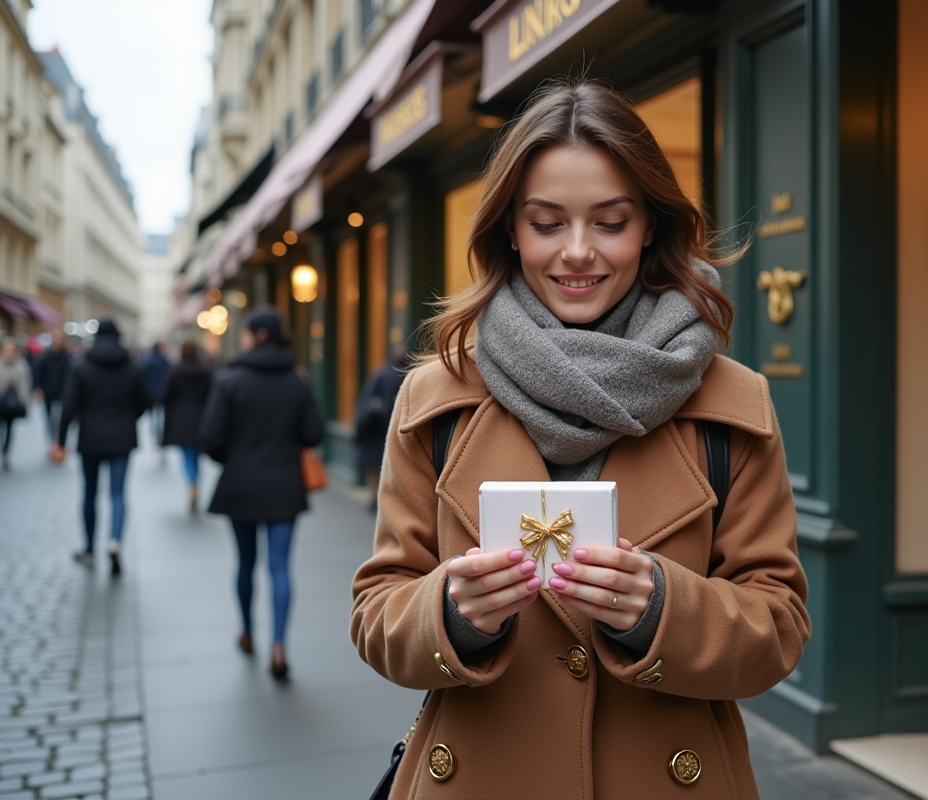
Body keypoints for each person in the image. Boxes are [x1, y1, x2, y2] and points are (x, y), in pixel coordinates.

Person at [349, 81, 810, 799]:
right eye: (546, 222)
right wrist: (452, 613)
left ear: (650, 226)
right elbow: (378, 611)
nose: (577, 253)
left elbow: (779, 626)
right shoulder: (433, 401)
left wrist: (664, 608)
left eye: (610, 221)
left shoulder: (733, 403)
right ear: (509, 228)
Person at [200, 308, 324, 680]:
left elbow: (210, 439)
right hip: (284, 485)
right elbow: (314, 434)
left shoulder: (229, 380)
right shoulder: (297, 380)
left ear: (257, 335)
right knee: (280, 567)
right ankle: (279, 645)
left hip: (240, 486)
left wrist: (234, 459)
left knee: (245, 564)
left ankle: (248, 632)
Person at [57, 319, 152, 574]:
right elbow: (146, 401)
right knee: (118, 493)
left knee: (90, 493)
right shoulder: (133, 368)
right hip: (122, 437)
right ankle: (114, 541)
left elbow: (68, 406)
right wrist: (128, 418)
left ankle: (89, 548)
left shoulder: (82, 367)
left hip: (90, 437)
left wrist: (61, 441)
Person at [353, 346, 410, 511]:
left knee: (378, 464)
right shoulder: (390, 375)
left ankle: (377, 498)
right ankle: (379, 498)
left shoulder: (383, 374)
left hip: (382, 429)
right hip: (383, 429)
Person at [161, 340, 213, 515]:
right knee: (196, 456)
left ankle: (192, 485)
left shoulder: (174, 372)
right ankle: (195, 484)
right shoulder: (205, 372)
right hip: (201, 419)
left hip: (181, 421)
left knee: (187, 456)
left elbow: (166, 397)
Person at [34, 329, 73, 443]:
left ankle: (58, 441)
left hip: (62, 394)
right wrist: (38, 388)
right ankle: (52, 440)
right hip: (48, 393)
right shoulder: (45, 357)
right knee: (49, 419)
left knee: (60, 419)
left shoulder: (67, 357)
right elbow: (39, 374)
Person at [0, 337, 33, 471]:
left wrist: (24, 401)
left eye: (11, 350)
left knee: (9, 428)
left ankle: (5, 452)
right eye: (6, 349)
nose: (9, 352)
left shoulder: (21, 365)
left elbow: (25, 384)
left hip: (12, 404)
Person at [141, 341, 170, 447]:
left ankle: (154, 431)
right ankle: (158, 432)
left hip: (152, 390)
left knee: (153, 413)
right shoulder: (164, 360)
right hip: (161, 390)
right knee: (160, 413)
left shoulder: (148, 361)